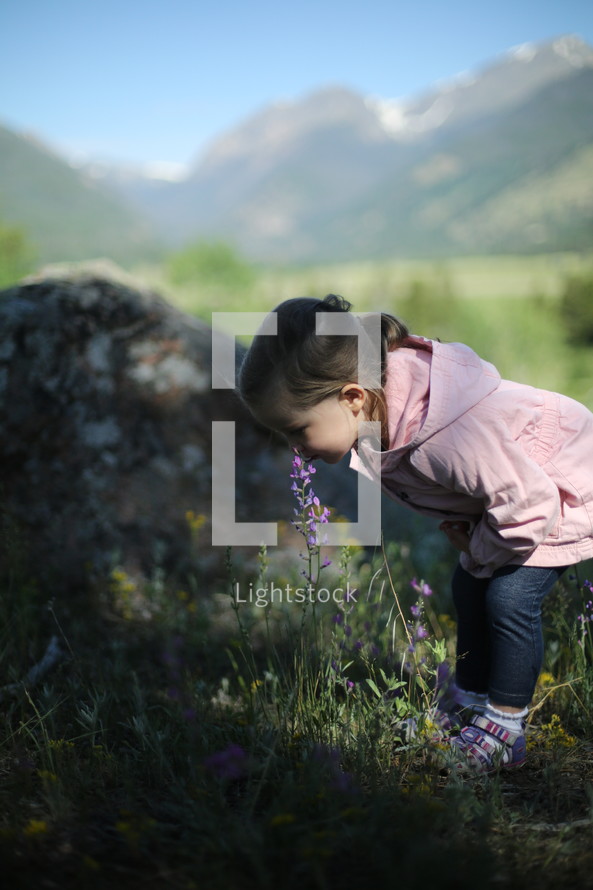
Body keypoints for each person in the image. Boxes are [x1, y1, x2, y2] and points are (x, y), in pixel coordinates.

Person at [238, 293, 593, 772]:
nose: (295, 451)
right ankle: (469, 705)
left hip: (566, 488)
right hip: (520, 498)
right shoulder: (385, 412)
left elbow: (530, 506)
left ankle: (505, 729)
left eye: (298, 430)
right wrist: (477, 541)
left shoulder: (445, 436)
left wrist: (482, 545)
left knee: (509, 598)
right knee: (469, 585)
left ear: (352, 397)